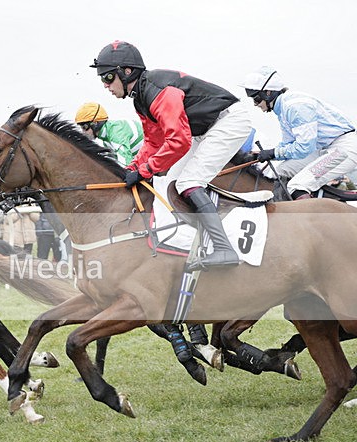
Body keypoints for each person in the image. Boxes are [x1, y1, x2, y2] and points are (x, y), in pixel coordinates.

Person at [92, 40, 252, 271]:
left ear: (126, 72)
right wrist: (131, 168)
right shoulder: (141, 97)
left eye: (107, 77)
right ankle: (190, 241)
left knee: (188, 182)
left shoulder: (158, 92)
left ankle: (224, 248)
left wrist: (144, 170)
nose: (105, 85)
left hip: (229, 121)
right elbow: (153, 142)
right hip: (203, 129)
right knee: (167, 182)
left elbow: (178, 141)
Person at [241, 67, 357, 200]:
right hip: (322, 149)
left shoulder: (294, 106)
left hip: (342, 148)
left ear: (268, 92)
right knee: (275, 173)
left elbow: (304, 147)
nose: (255, 104)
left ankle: (311, 219)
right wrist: (265, 155)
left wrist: (273, 153)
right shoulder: (282, 108)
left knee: (297, 186)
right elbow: (289, 144)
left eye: (255, 99)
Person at [75, 102, 144, 165]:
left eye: (84, 127)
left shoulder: (115, 133)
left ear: (95, 124)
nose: (83, 132)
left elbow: (125, 163)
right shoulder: (106, 138)